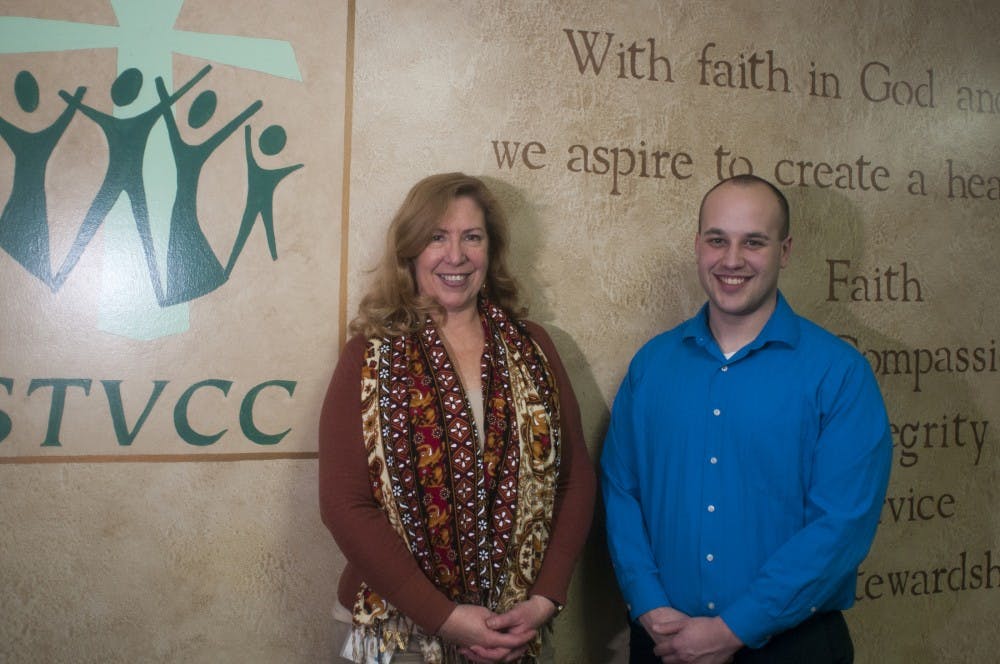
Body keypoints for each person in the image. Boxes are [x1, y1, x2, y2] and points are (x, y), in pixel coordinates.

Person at [601, 174, 892, 664]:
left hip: (792, 648)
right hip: (662, 643)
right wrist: (646, 600)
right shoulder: (652, 364)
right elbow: (620, 488)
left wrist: (737, 627)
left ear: (785, 250)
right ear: (698, 246)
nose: (731, 260)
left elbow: (841, 525)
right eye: (717, 240)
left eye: (753, 242)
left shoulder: (839, 374)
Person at [320, 173, 595, 663]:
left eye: (472, 236)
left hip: (516, 632)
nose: (456, 255)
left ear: (491, 249)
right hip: (400, 633)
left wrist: (543, 600)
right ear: (410, 251)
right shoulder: (369, 356)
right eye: (436, 237)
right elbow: (345, 504)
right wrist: (445, 618)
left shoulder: (534, 348)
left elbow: (573, 481)